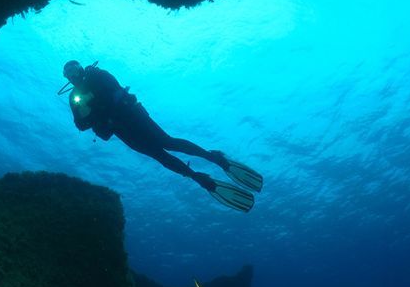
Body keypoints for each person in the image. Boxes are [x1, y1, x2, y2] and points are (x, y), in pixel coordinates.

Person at [59, 60, 263, 212]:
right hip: (123, 131)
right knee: (159, 156)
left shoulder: (98, 75)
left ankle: (214, 158)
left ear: (80, 67)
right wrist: (85, 112)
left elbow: (116, 90)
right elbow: (80, 125)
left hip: (133, 117)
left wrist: (94, 104)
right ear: (66, 78)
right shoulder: (74, 98)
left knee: (167, 142)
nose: (72, 74)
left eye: (73, 69)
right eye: (67, 74)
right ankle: (198, 178)